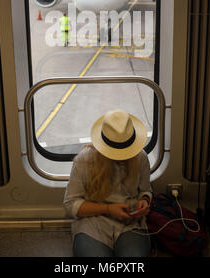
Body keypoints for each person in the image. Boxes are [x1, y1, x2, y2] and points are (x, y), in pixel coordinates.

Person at [63, 109, 152, 257]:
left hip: (130, 224)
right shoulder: (84, 160)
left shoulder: (141, 158)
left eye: (127, 151)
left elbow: (145, 190)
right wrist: (108, 209)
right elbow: (70, 204)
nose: (122, 157)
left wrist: (145, 200)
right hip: (93, 222)